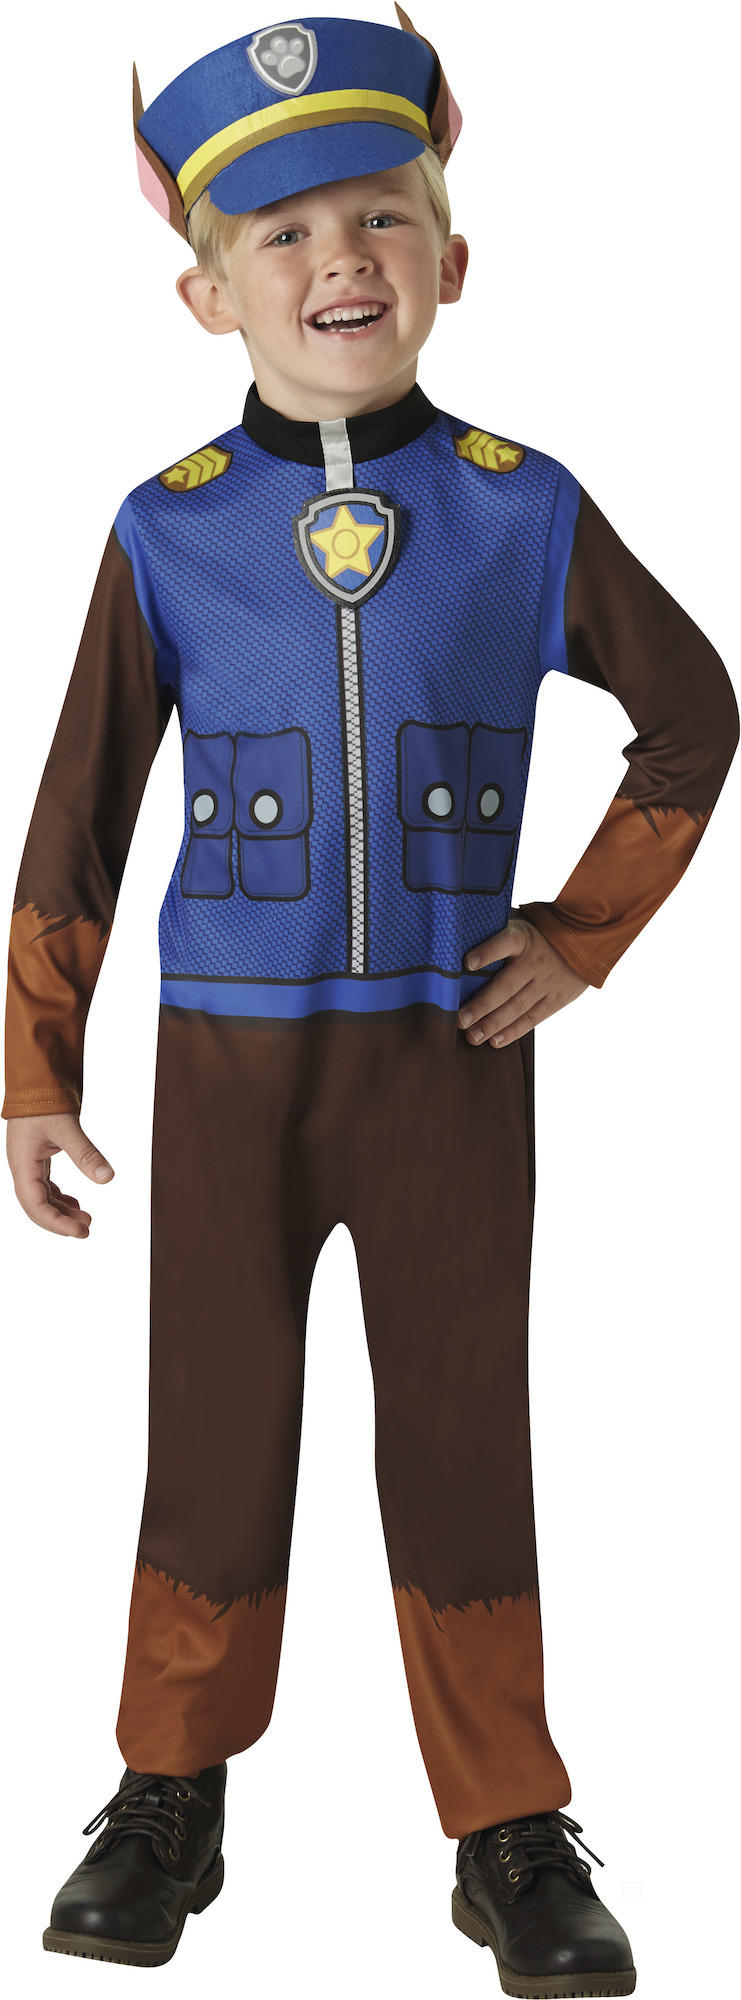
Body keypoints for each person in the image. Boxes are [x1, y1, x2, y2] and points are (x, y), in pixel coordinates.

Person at [2, 6, 737, 1989]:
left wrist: (578, 933)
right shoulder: (166, 528)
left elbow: (691, 715)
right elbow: (78, 812)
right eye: (285, 234)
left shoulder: (520, 506)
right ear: (206, 292)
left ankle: (504, 1824)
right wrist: (34, 1073)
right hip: (229, 1067)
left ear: (449, 258)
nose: (340, 259)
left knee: (461, 1428)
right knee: (213, 1426)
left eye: (379, 218)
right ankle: (169, 1789)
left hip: (444, 1057)